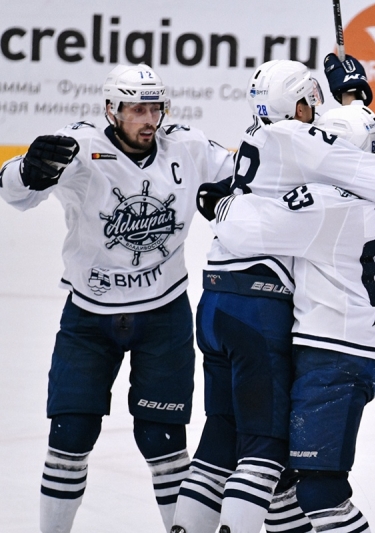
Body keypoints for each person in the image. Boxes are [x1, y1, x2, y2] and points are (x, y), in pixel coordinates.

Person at [170, 57, 375, 533]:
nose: (317, 116)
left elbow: (243, 225)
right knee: (270, 460)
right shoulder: (344, 184)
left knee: (237, 447)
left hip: (239, 304)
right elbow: (372, 172)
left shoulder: (305, 180)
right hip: (279, 315)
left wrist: (221, 203)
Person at [0, 64, 234, 532]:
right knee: (69, 437)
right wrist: (26, 169)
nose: (149, 120)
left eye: (155, 109)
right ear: (111, 110)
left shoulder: (186, 147)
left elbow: (254, 171)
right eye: (136, 110)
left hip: (163, 314)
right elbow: (13, 191)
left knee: (164, 440)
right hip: (89, 317)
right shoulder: (80, 147)